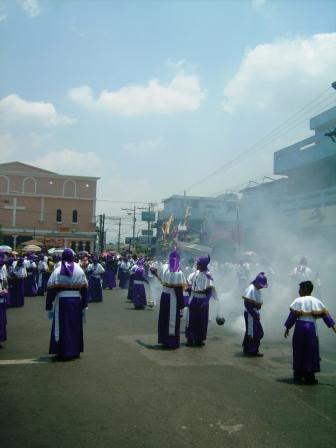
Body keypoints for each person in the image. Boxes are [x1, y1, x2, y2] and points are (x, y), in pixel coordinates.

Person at [284, 280, 336, 384]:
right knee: (310, 351)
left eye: (300, 289)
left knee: (298, 349)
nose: (298, 291)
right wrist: (334, 327)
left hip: (299, 327)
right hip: (311, 328)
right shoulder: (316, 301)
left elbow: (292, 317)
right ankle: (309, 376)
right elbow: (326, 317)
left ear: (305, 290)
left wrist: (287, 328)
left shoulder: (298, 301)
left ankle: (298, 374)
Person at [46, 248, 88, 360]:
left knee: (61, 326)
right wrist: (84, 303)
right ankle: (74, 351)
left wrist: (49, 304)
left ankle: (62, 351)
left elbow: (50, 289)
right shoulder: (79, 270)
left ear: (62, 257)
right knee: (74, 326)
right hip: (75, 302)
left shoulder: (58, 270)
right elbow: (84, 289)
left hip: (62, 301)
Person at [185, 255, 219, 347]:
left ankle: (199, 339)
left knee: (201, 321)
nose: (197, 265)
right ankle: (190, 338)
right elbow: (188, 282)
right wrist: (188, 288)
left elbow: (209, 290)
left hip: (202, 300)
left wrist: (206, 301)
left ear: (203, 265)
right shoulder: (195, 273)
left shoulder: (208, 275)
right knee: (191, 320)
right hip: (194, 298)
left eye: (198, 264)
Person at [158, 248, 187, 349]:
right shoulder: (178, 273)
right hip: (173, 298)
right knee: (172, 320)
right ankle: (171, 342)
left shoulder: (165, 268)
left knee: (164, 318)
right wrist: (182, 304)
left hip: (164, 296)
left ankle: (164, 339)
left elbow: (158, 276)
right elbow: (178, 290)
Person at [242, 272, 268, 357]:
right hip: (250, 313)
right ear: (256, 282)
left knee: (252, 332)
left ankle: (247, 348)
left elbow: (256, 303)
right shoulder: (251, 289)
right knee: (256, 333)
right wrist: (254, 314)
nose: (261, 287)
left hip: (253, 313)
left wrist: (257, 307)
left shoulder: (256, 289)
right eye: (261, 285)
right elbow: (247, 303)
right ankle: (252, 350)